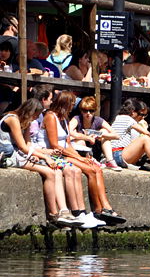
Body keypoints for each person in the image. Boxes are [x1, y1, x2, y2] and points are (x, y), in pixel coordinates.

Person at [39, 90, 125, 225]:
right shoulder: (51, 117)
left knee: (96, 168)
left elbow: (67, 143)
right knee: (90, 171)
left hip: (66, 152)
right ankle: (96, 210)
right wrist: (78, 158)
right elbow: (55, 144)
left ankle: (106, 207)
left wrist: (80, 157)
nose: (73, 106)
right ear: (65, 103)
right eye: (72, 103)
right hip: (57, 154)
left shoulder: (64, 118)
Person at [1, 98, 80, 227]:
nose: (35, 119)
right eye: (35, 115)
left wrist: (44, 153)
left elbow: (28, 145)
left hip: (18, 154)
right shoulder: (12, 119)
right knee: (49, 173)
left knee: (56, 171)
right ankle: (53, 214)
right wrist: (45, 158)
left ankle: (63, 211)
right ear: (29, 111)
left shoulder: (26, 122)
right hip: (9, 154)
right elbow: (22, 147)